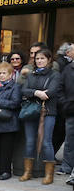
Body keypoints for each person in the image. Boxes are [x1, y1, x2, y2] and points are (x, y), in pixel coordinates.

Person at [18, 48, 61, 183]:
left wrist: (35, 92)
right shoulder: (31, 75)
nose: (39, 61)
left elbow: (52, 92)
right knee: (30, 141)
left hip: (48, 112)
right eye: (37, 59)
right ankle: (27, 172)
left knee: (46, 142)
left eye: (42, 58)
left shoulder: (55, 75)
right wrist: (37, 92)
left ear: (48, 60)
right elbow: (24, 90)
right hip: (31, 112)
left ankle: (49, 175)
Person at [58, 43, 74, 177]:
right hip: (71, 110)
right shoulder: (68, 69)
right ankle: (66, 167)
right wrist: (65, 103)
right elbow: (60, 88)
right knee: (69, 141)